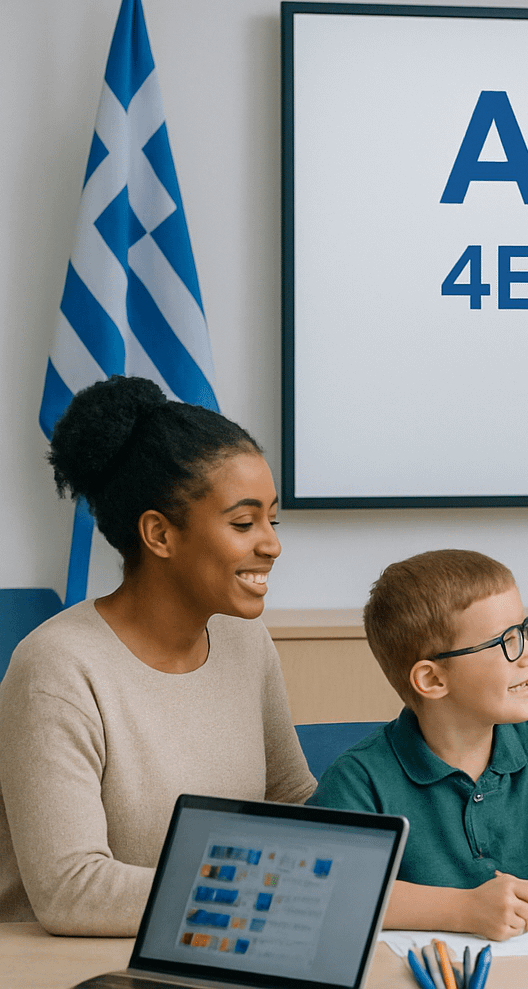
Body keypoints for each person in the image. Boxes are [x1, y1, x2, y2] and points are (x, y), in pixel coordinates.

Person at [0, 376, 316, 935]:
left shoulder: (246, 643)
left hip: (217, 947)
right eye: (244, 523)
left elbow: (291, 803)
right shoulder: (56, 667)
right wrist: (270, 890)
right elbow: (71, 891)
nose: (271, 543)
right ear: (159, 534)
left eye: (273, 519)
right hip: (69, 969)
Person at [308, 550, 528, 940]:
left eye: (525, 631)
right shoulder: (359, 779)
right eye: (506, 641)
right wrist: (464, 910)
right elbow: (325, 892)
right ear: (432, 679)